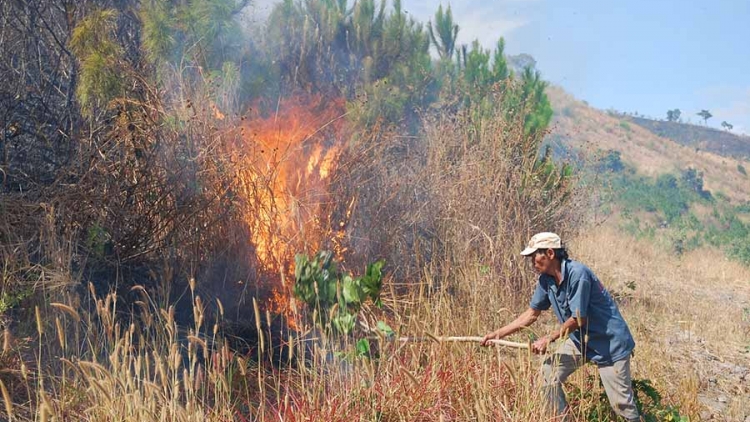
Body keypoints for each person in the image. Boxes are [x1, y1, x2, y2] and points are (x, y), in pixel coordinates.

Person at [481, 232, 641, 421]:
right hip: (579, 340)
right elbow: (531, 314)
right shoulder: (545, 280)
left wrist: (549, 338)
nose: (532, 261)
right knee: (547, 374)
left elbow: (578, 319)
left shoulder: (578, 275)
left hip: (609, 343)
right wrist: (497, 334)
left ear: (550, 253)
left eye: (535, 256)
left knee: (621, 404)